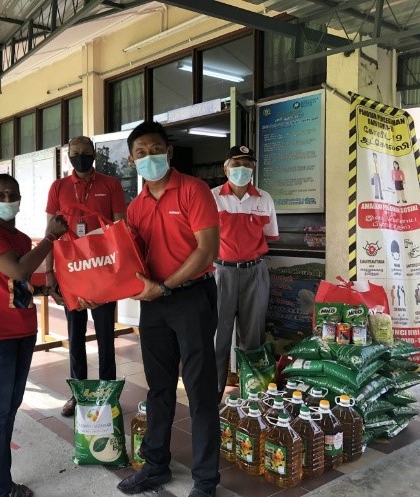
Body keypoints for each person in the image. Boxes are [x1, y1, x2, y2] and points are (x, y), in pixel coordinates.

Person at [117, 121, 220, 497]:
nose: (149, 157)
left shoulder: (194, 191)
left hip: (191, 298)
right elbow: (126, 261)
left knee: (199, 388)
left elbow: (206, 251)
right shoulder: (136, 207)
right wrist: (96, 289)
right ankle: (155, 465)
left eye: (155, 149)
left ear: (169, 152)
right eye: (141, 153)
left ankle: (206, 479)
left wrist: (163, 286)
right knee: (158, 387)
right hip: (156, 304)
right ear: (131, 160)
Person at [0, 174, 67, 497]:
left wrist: (45, 289)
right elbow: (18, 270)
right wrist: (51, 239)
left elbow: (18, 286)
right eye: (2, 195)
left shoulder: (22, 239)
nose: (9, 199)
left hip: (23, 332)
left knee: (9, 408)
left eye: (14, 194)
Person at [45, 135, 127, 417]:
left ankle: (108, 392)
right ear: (68, 155)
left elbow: (119, 229)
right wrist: (48, 273)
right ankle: (77, 393)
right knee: (75, 334)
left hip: (102, 270)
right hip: (71, 272)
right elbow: (50, 232)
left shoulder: (111, 185)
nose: (80, 156)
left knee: (106, 335)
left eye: (85, 152)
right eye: (75, 152)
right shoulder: (58, 187)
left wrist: (121, 271)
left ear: (94, 153)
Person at [211, 145, 278, 403]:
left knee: (254, 337)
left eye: (248, 165)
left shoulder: (264, 198)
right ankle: (215, 392)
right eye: (237, 164)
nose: (242, 170)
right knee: (219, 336)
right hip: (221, 273)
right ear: (225, 168)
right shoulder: (212, 197)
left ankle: (254, 392)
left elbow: (270, 235)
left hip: (255, 273)